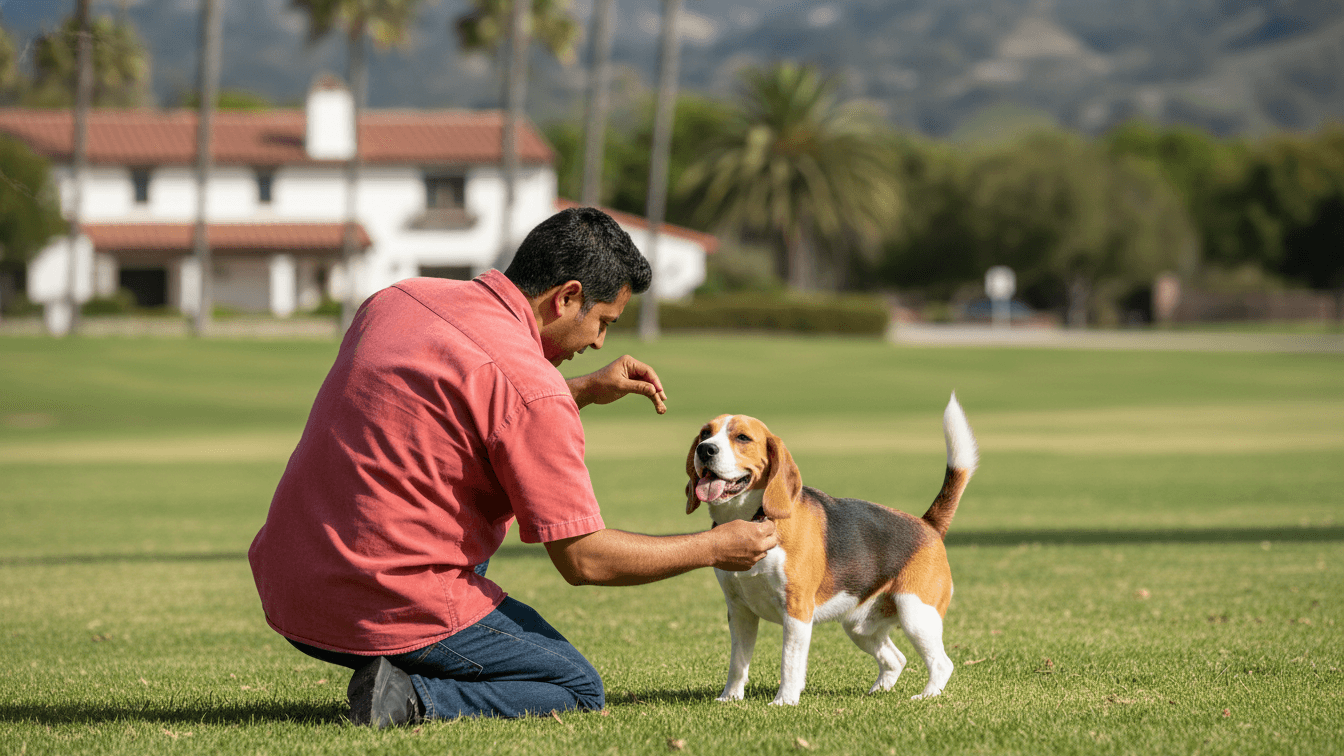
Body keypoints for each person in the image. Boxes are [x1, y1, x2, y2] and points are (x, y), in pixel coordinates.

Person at [247, 207, 778, 725]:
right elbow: (584, 560)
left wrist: (583, 390)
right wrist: (715, 545)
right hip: (382, 601)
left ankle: (394, 658)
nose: (598, 342)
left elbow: (468, 406)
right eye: (603, 322)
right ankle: (407, 697)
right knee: (573, 687)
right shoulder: (531, 390)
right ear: (567, 297)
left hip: (289, 586)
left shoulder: (399, 298)